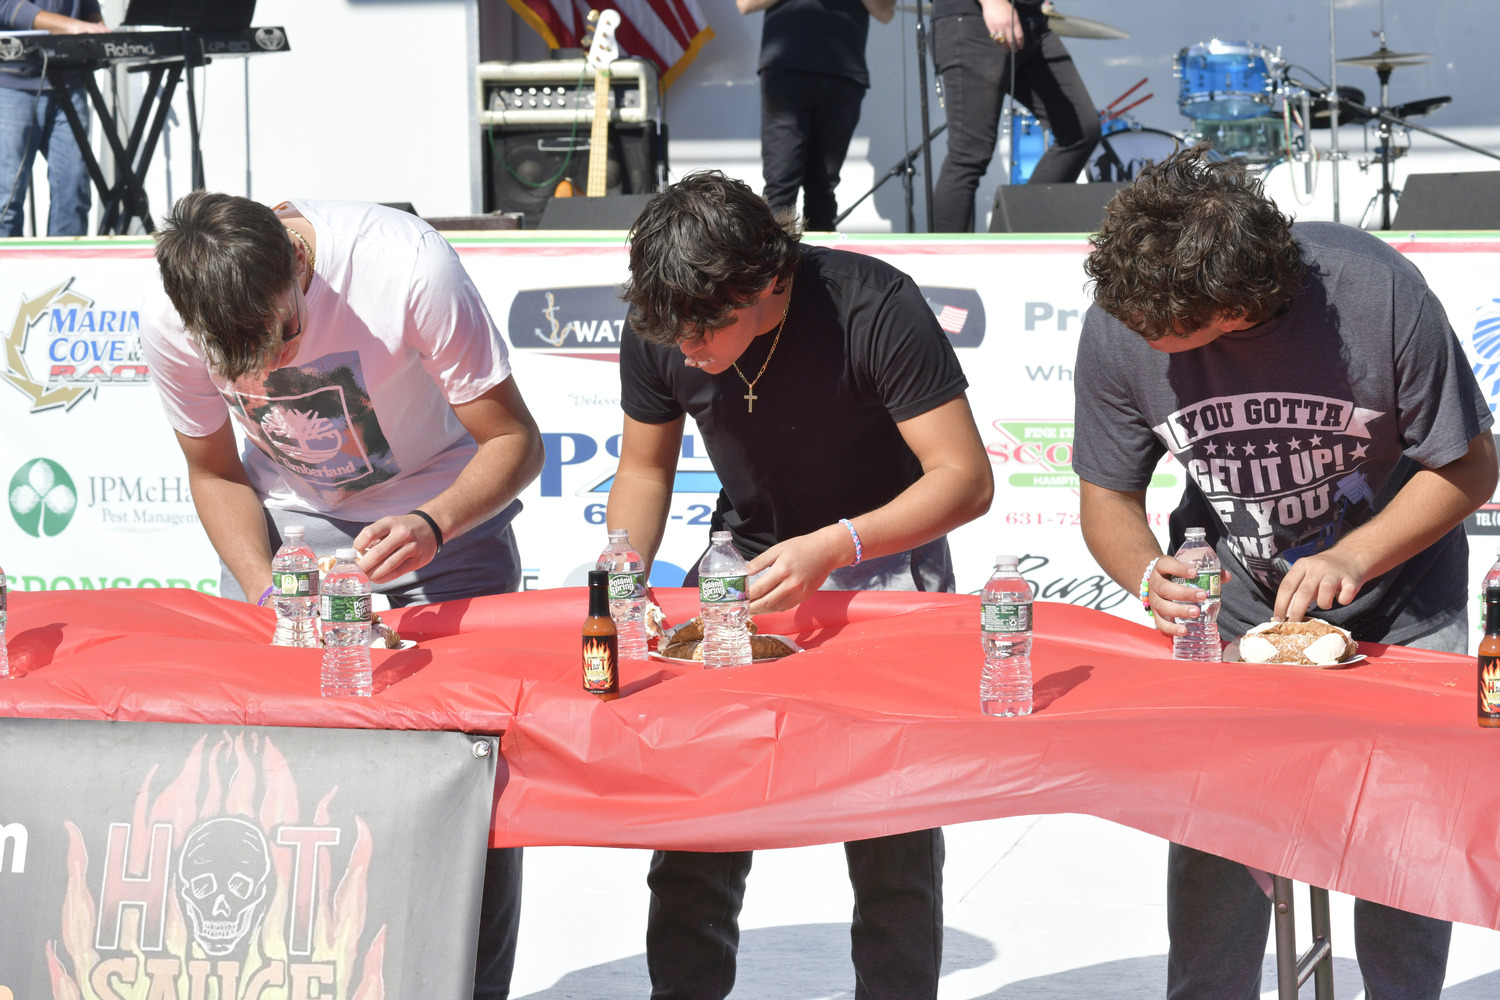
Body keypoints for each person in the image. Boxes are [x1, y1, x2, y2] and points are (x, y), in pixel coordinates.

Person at [1072, 144, 1497, 1000]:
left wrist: (1354, 554)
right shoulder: (1125, 315)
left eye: (1167, 333)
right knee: (1216, 842)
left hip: (1400, 604)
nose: (1143, 341)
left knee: (1403, 841)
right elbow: (1106, 496)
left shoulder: (1374, 290)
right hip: (1236, 617)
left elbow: (1470, 467)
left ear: (1232, 306)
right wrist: (1145, 572)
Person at [141, 191, 545, 1000]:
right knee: (262, 781)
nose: (260, 373)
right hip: (289, 537)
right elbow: (216, 471)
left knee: (466, 786)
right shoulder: (170, 317)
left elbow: (515, 442)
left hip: (442, 522)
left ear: (298, 261)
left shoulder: (406, 268)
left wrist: (435, 523)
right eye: (237, 364)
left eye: (280, 337)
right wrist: (266, 589)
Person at [608, 169, 993, 999]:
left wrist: (836, 544)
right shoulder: (668, 315)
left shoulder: (873, 302)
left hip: (883, 561)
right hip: (742, 564)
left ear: (767, 281)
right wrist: (620, 576)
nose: (686, 352)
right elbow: (643, 470)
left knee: (891, 833)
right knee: (697, 823)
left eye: (703, 334)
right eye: (670, 335)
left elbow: (964, 478)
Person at [930, 0, 1100, 232]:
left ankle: (1018, 233)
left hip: (1031, 21)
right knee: (969, 154)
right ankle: (943, 261)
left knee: (1081, 129)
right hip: (976, 17)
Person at [738, 0, 894, 231]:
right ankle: (774, 264)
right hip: (786, 70)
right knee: (781, 182)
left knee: (823, 187)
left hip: (843, 74)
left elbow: (886, 12)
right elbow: (746, 4)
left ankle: (822, 265)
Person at [0, 0, 108, 236]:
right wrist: (72, 26)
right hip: (12, 83)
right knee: (6, 199)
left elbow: (88, 7)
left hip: (71, 81)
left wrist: (97, 27)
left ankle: (66, 269)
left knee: (74, 194)